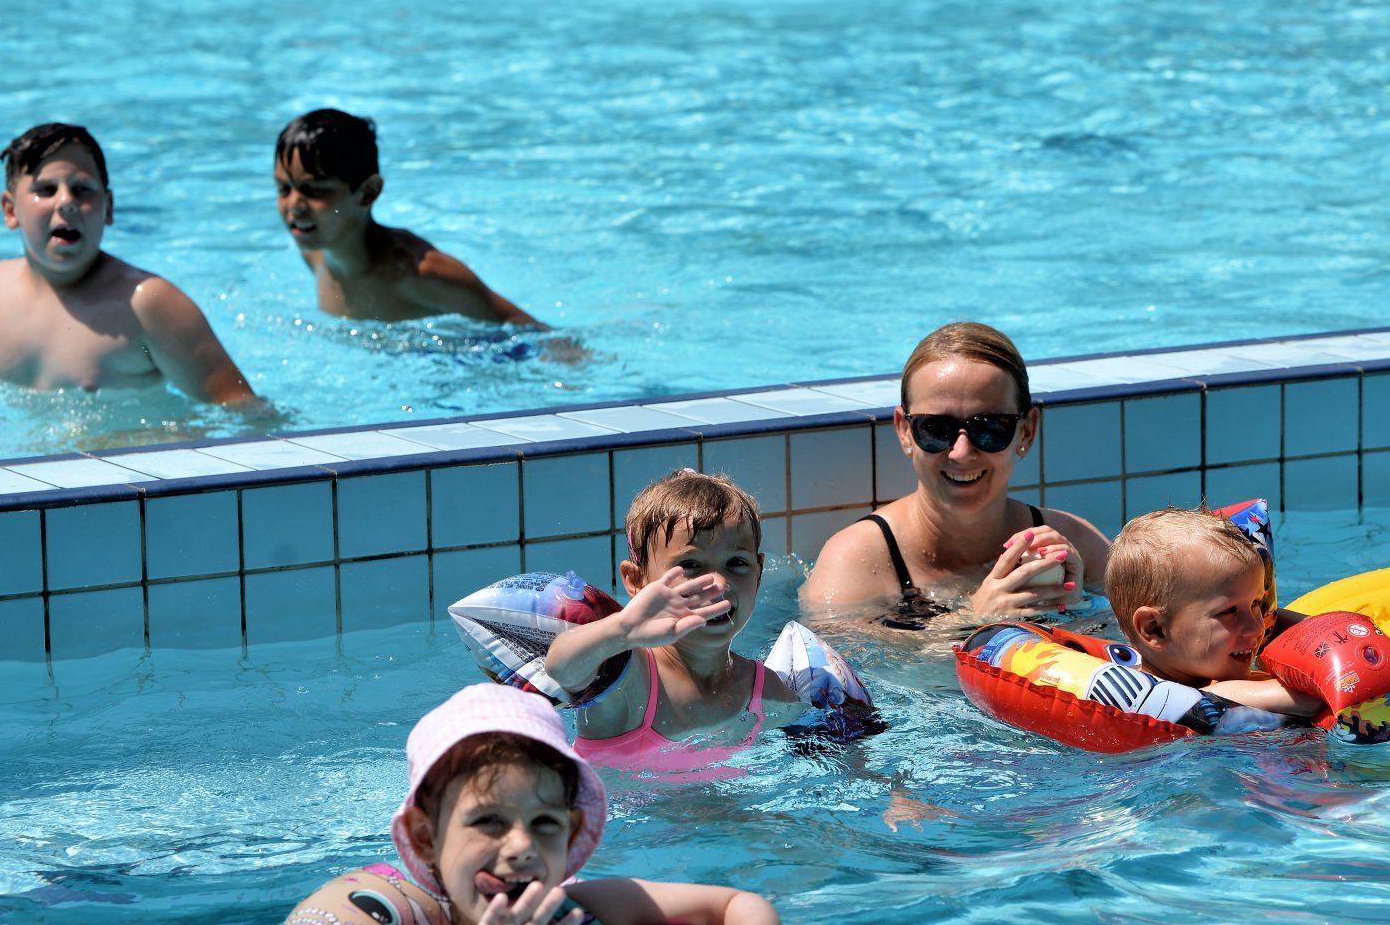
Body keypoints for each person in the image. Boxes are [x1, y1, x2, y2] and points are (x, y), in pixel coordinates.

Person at [285, 683, 781, 925]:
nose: (521, 846)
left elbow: (739, 904)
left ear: (570, 835)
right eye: (489, 821)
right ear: (427, 837)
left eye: (544, 824)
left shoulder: (598, 912)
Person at [801, 321, 1111, 627]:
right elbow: (837, 666)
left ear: (1026, 432)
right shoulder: (856, 562)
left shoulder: (1077, 545)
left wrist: (1084, 608)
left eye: (989, 427)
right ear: (904, 431)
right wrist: (973, 618)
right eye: (935, 429)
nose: (961, 452)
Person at [0, 123, 257, 404]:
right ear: (10, 210)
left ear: (108, 208)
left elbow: (244, 409)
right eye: (46, 190)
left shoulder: (148, 304)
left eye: (82, 190)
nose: (66, 202)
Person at [544, 470, 811, 771]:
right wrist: (621, 631)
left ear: (759, 572)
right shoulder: (628, 680)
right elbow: (560, 668)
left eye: (736, 563)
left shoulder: (763, 690)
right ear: (636, 580)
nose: (719, 583)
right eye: (691, 565)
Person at [274, 109, 542, 325]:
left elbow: (529, 330)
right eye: (283, 188)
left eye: (314, 191)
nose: (294, 205)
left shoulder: (420, 274)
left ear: (368, 193)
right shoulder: (316, 253)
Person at [1105, 505, 1327, 719]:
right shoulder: (1208, 698)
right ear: (1155, 629)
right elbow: (1328, 687)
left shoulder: (1200, 671)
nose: (1256, 627)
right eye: (1229, 611)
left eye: (1256, 603)